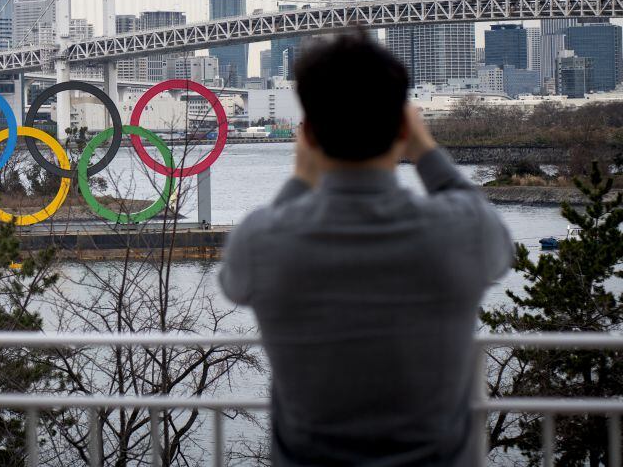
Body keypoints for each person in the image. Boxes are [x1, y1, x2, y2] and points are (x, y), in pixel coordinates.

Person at [219, 33, 513, 466]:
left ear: (311, 135)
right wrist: (426, 150)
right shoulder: (460, 229)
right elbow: (495, 240)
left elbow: (235, 282)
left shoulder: (261, 240)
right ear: (402, 128)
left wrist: (301, 179)